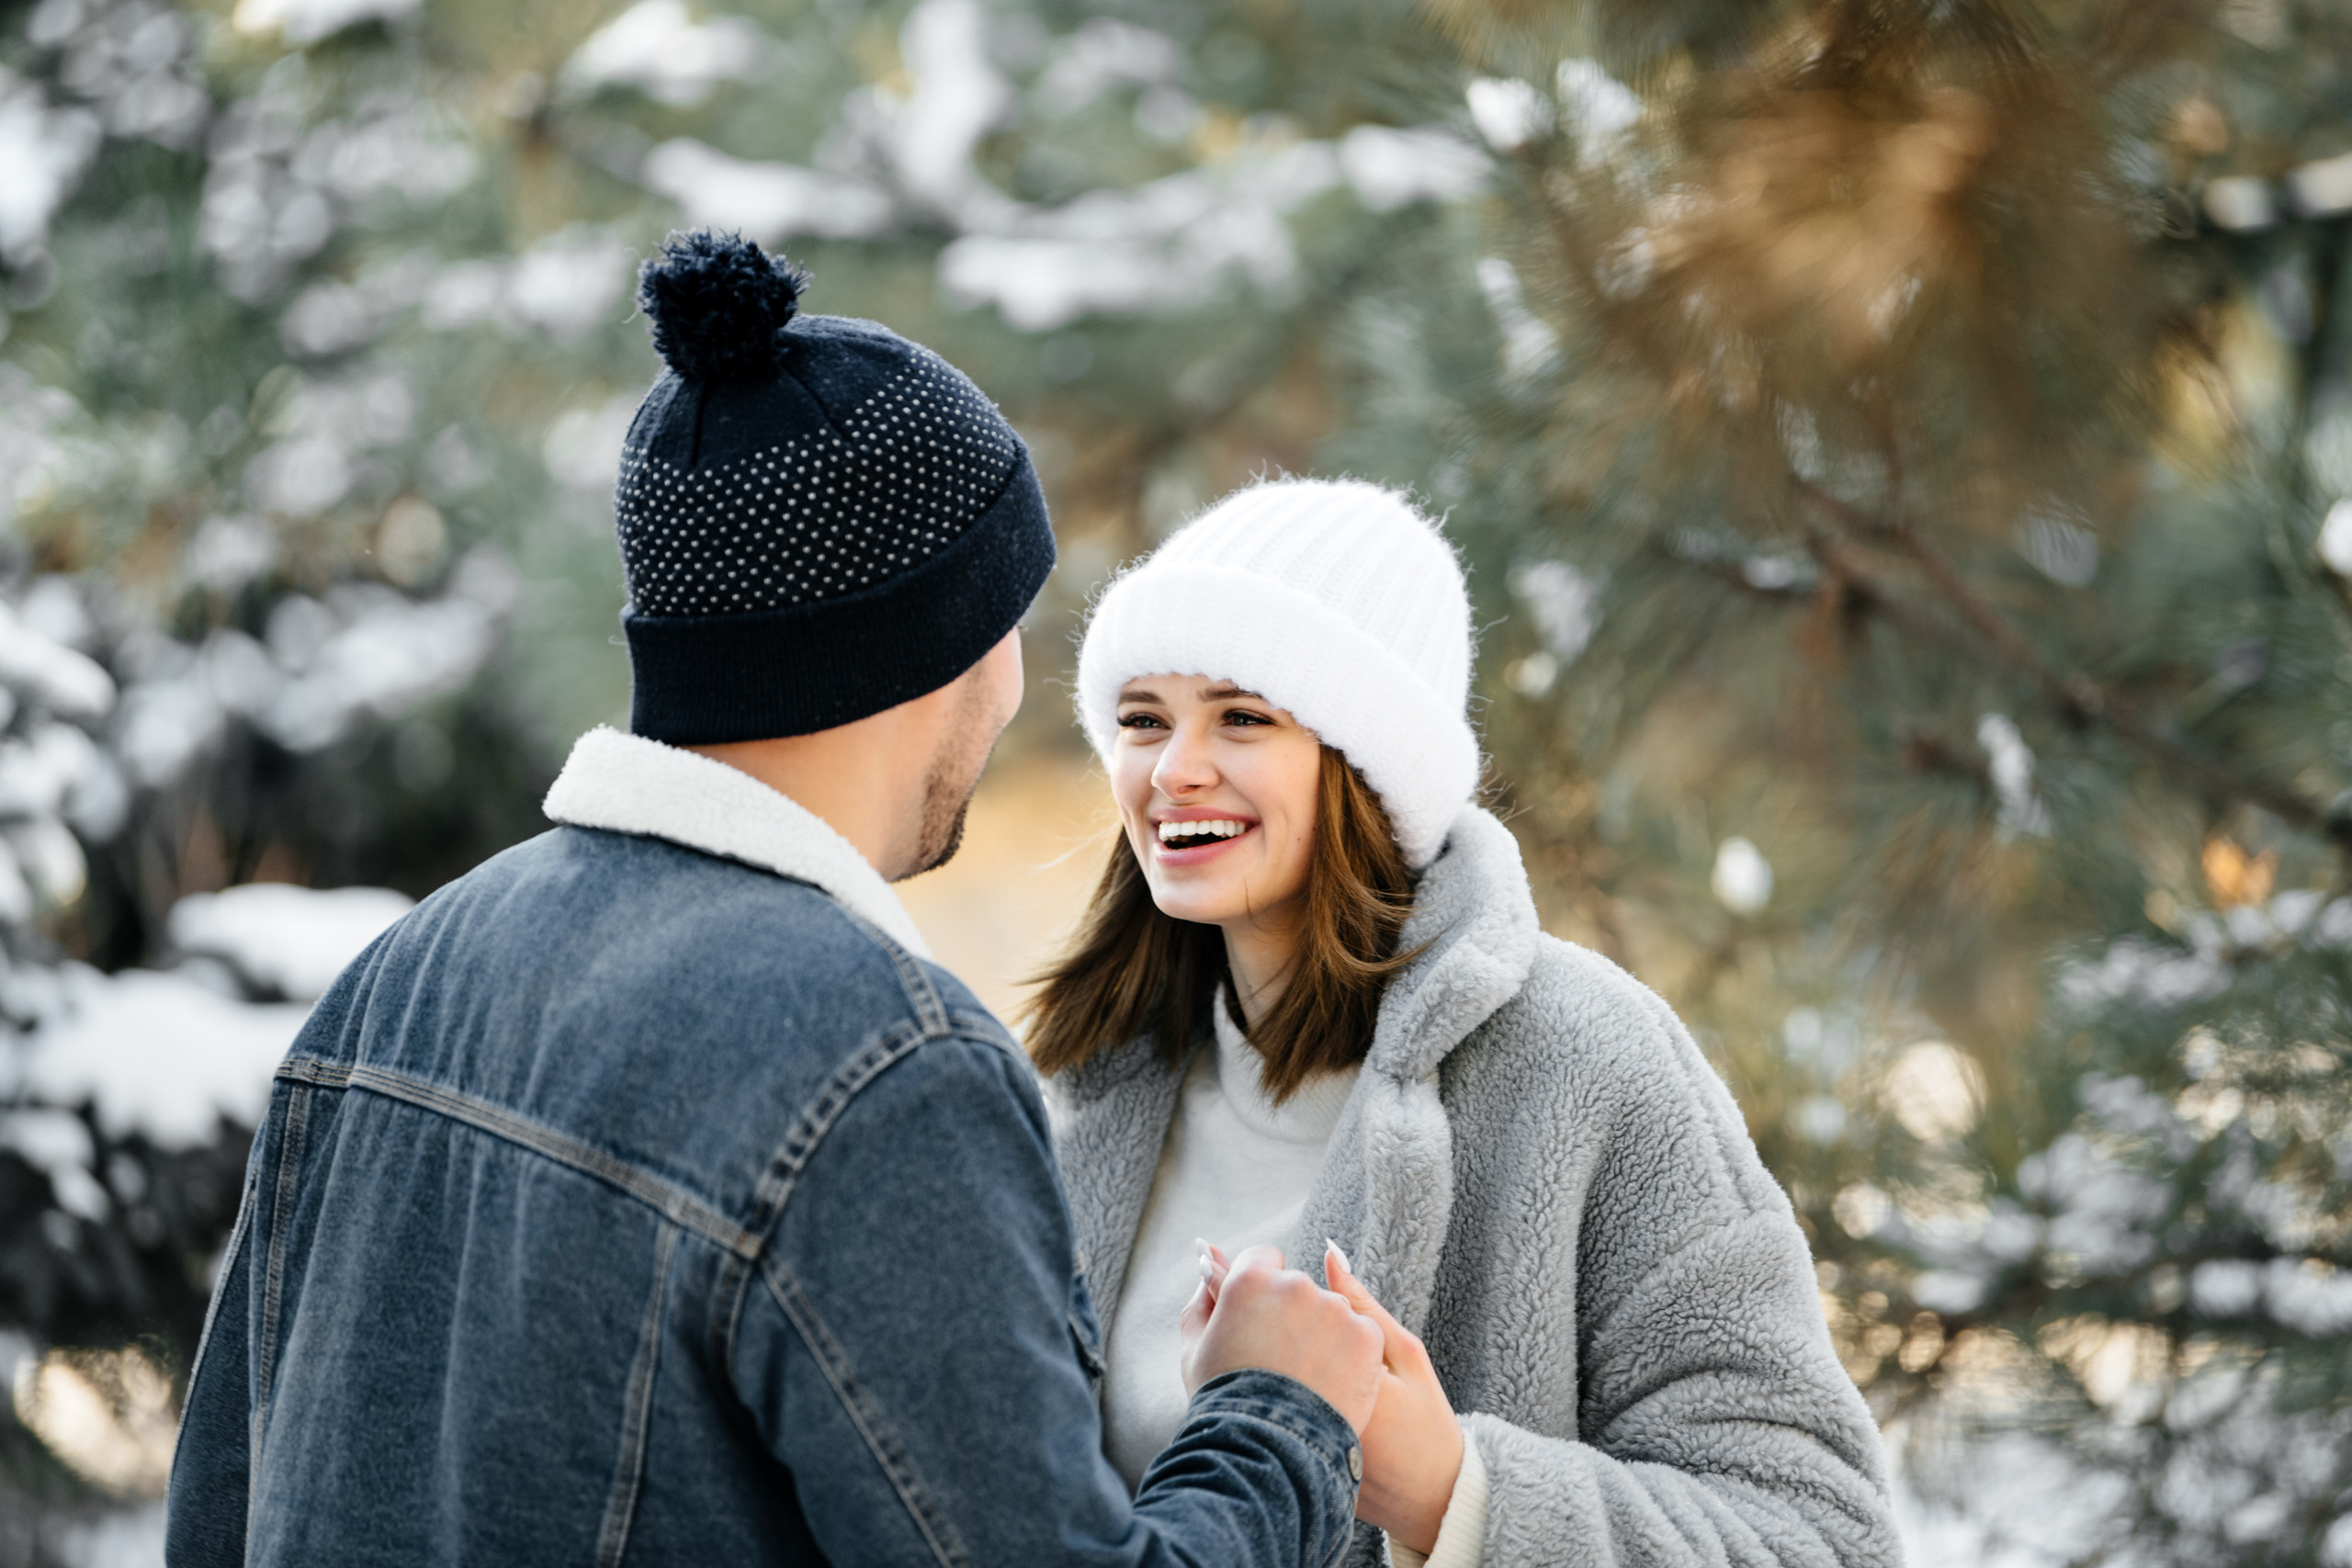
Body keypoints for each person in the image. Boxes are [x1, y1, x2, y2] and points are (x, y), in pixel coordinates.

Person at [163, 232, 1385, 1567]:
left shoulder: (397, 978)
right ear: (942, 640)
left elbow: (220, 1513)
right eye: (1012, 613)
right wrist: (1278, 1413)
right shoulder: (886, 1074)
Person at [1026, 477, 1904, 1567]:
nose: (1173, 770)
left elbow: (1822, 1537)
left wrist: (1453, 1494)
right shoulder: (1072, 1091)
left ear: (1368, 762)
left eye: (1241, 716)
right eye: (1142, 720)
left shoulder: (1584, 1060)